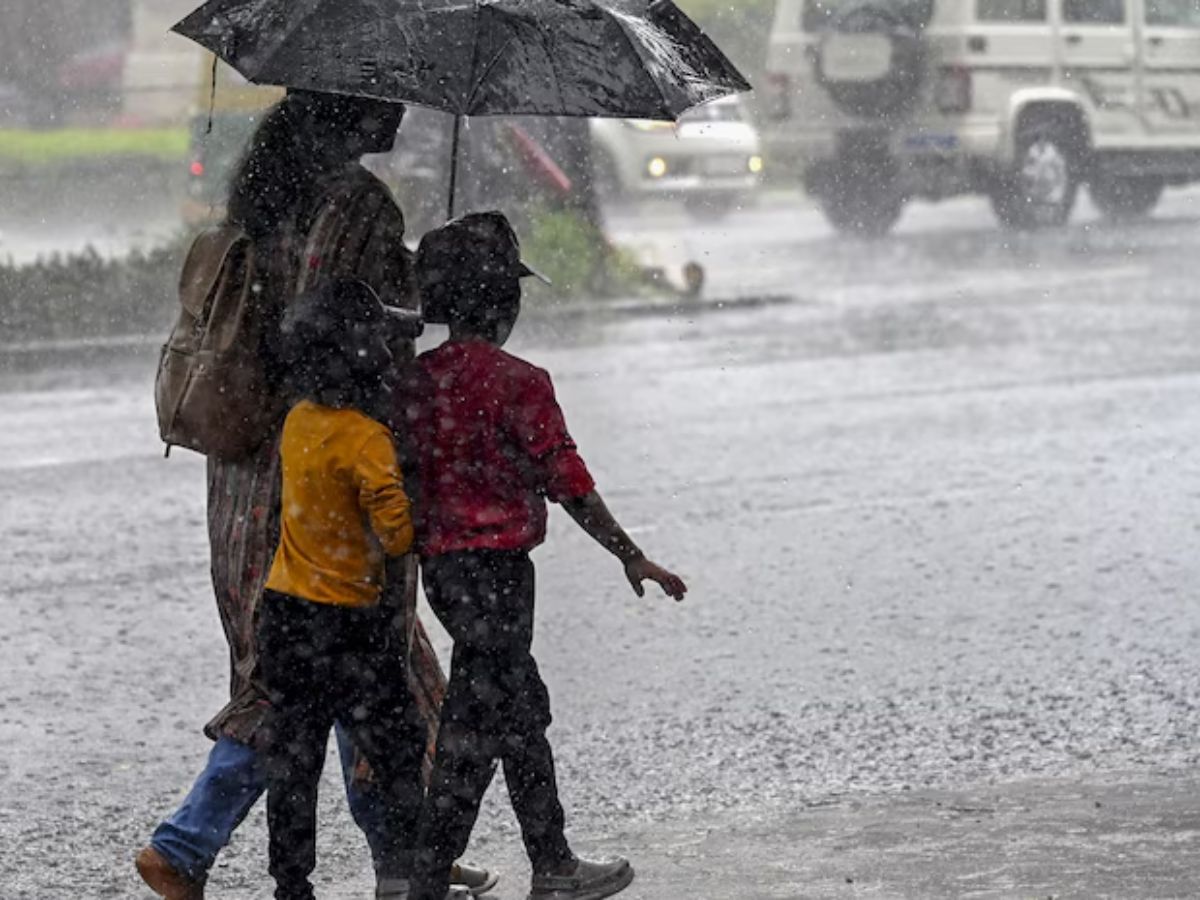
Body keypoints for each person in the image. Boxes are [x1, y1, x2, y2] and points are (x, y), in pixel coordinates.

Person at [136, 91, 494, 900]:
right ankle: (184, 846)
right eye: (384, 96)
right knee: (344, 671)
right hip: (330, 471)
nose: (401, 109)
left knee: (340, 665)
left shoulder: (261, 196)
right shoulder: (357, 204)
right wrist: (421, 301)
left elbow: (288, 324)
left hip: (248, 471)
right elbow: (344, 334)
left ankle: (405, 852)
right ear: (348, 110)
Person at [400, 212, 689, 900]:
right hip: (500, 575)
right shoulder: (519, 382)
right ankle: (433, 876)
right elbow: (566, 479)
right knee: (480, 721)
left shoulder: (411, 383)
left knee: (514, 711)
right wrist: (629, 553)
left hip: (441, 574)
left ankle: (548, 861)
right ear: (506, 302)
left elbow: (403, 480)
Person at [256, 277, 429, 900]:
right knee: (396, 747)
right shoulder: (368, 441)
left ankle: (291, 882)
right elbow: (397, 534)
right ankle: (408, 871)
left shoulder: (298, 422)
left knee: (295, 761)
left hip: (285, 616)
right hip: (350, 625)